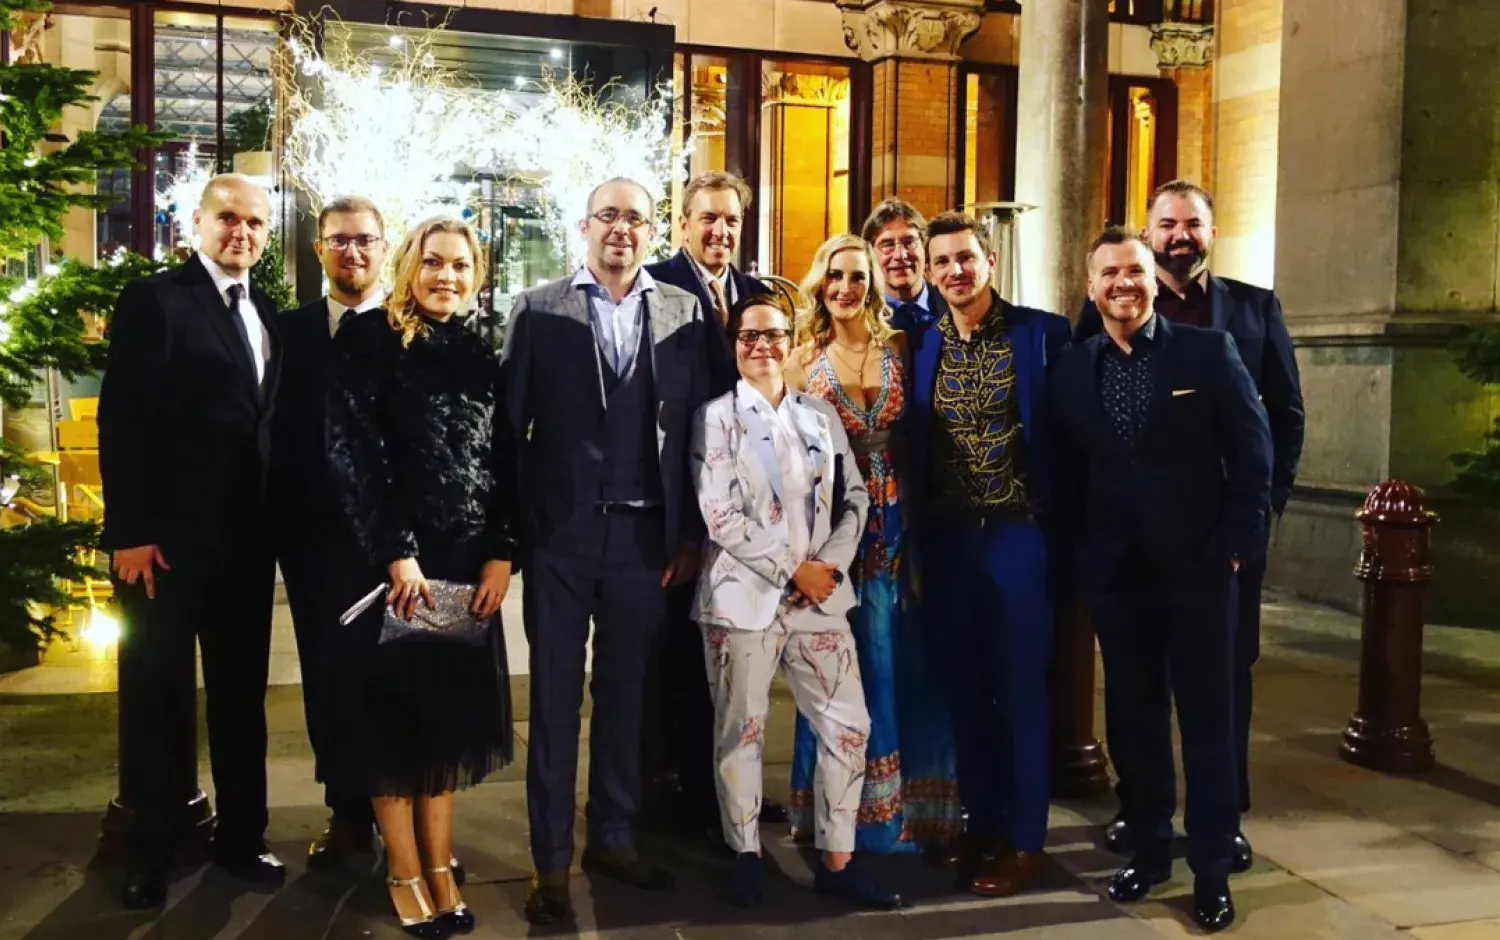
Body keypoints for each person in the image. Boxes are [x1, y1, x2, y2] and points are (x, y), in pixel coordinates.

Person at [500, 178, 712, 926]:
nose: (622, 229)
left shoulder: (686, 313)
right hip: (561, 538)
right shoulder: (538, 308)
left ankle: (614, 837)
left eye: (636, 219)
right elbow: (508, 433)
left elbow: (696, 434)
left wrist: (691, 535)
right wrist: (517, 534)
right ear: (584, 226)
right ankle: (549, 861)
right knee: (555, 703)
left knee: (626, 697)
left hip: (646, 540)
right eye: (609, 217)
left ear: (654, 231)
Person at [1074, 180, 1304, 866]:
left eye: (1193, 224)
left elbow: (1283, 418)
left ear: (1211, 232)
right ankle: (1141, 811)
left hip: (1221, 543)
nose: (1181, 235)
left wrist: (1257, 519)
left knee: (1224, 685)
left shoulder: (1255, 310)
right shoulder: (1105, 313)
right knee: (1134, 686)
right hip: (1133, 547)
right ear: (1148, 234)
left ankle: (1222, 818)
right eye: (1167, 223)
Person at [1049, 226, 1273, 933]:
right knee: (1134, 722)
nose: (1124, 284)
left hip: (1201, 573)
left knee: (1207, 724)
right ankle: (1149, 849)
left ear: (1152, 282)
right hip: (1118, 579)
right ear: (1091, 289)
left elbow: (1254, 454)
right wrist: (1083, 558)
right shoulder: (1073, 367)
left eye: (1135, 272)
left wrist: (1235, 547)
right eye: (1109, 274)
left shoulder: (1207, 352)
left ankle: (1211, 869)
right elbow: (1064, 474)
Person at [99, 173, 285, 910]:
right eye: (228, 219)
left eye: (255, 224)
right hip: (165, 551)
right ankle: (152, 851)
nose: (241, 234)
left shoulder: (266, 311)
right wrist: (131, 532)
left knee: (241, 700)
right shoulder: (157, 300)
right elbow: (124, 420)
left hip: (245, 549)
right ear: (198, 224)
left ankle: (243, 838)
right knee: (157, 699)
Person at [327, 216, 516, 938]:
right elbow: (353, 455)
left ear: (477, 274)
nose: (447, 277)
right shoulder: (371, 340)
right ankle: (405, 872)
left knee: (444, 725)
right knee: (394, 730)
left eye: (461, 266)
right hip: (394, 568)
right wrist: (396, 550)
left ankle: (442, 866)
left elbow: (502, 462)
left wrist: (502, 550)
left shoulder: (478, 349)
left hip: (467, 564)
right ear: (409, 266)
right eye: (434, 263)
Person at [692, 292, 900, 910]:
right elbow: (721, 515)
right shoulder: (716, 417)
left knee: (848, 726)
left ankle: (838, 859)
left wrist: (828, 567)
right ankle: (746, 852)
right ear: (734, 346)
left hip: (821, 600)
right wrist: (792, 570)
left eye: (774, 334)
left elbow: (856, 498)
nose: (763, 346)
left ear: (791, 340)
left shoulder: (819, 414)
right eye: (749, 336)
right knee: (742, 731)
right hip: (742, 601)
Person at [908, 211, 1071, 896]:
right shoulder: (919, 343)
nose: (954, 271)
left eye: (965, 258)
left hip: (1018, 536)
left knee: (1022, 691)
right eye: (941, 261)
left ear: (990, 260)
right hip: (947, 541)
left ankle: (1027, 839)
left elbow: (1068, 437)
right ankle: (982, 823)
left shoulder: (1041, 335)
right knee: (966, 691)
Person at [783, 234, 961, 854]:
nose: (845, 289)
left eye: (858, 277)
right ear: (819, 282)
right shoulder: (802, 359)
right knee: (835, 663)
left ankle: (901, 811)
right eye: (835, 277)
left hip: (897, 523)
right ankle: (837, 814)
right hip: (834, 525)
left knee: (897, 658)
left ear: (872, 284)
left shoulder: (900, 348)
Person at [640, 171, 781, 840]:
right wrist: (687, 531)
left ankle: (732, 790)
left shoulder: (757, 294)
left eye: (730, 220)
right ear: (684, 223)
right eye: (708, 219)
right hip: (685, 507)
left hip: (750, 515)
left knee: (742, 661)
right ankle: (672, 798)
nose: (720, 230)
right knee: (673, 664)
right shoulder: (658, 288)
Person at [269, 195, 386, 870]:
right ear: (319, 250)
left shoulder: (408, 329)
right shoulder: (287, 332)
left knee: (395, 683)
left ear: (383, 246)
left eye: (365, 240)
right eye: (339, 241)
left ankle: (404, 821)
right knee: (328, 681)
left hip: (392, 549)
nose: (353, 252)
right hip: (312, 543)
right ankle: (346, 813)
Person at [862, 198, 949, 337]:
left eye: (909, 242)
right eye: (887, 244)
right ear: (870, 254)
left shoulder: (953, 306)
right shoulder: (860, 318)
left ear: (925, 247)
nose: (900, 255)